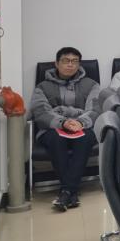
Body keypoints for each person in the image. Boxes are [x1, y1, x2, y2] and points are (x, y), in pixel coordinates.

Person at [29, 47, 100, 211]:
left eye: (74, 61)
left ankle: (67, 192)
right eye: (66, 61)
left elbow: (96, 109)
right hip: (53, 129)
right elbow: (40, 112)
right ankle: (71, 192)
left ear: (79, 64)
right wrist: (63, 123)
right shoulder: (42, 87)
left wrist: (80, 122)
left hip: (83, 127)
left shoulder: (91, 85)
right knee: (56, 139)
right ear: (56, 63)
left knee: (84, 139)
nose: (70, 65)